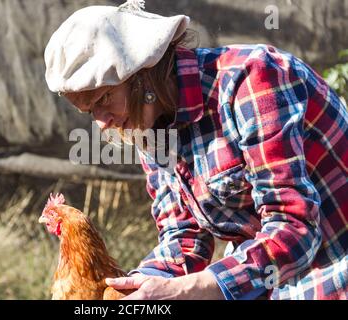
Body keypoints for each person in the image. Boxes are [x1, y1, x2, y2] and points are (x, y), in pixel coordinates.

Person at [43, 1, 348, 300]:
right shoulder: (149, 126)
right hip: (267, 272)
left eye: (104, 99)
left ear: (141, 72)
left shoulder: (250, 80)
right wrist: (133, 292)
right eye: (89, 111)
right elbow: (183, 235)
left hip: (334, 263)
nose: (102, 123)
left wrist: (194, 287)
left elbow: (295, 228)